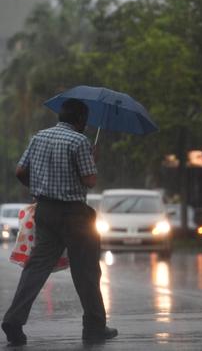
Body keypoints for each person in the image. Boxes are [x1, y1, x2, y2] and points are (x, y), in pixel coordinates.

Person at [2, 98, 117, 346]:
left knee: (36, 268)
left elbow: (20, 172)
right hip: (75, 215)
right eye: (85, 121)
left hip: (45, 211)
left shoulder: (38, 137)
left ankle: (13, 320)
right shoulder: (79, 141)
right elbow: (89, 181)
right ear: (80, 120)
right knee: (86, 270)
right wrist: (92, 160)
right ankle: (95, 327)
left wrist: (38, 189)